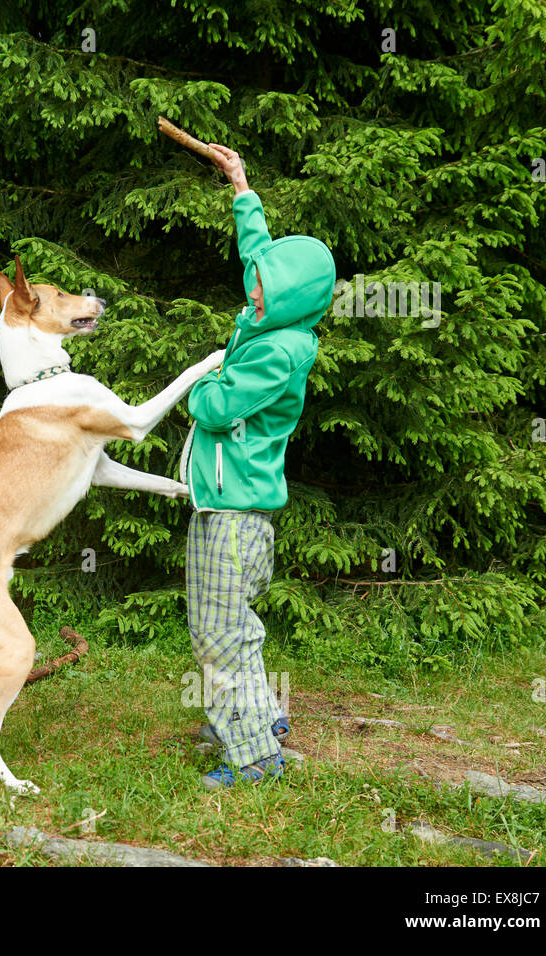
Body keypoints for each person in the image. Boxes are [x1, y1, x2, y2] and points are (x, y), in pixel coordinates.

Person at [178, 143, 336, 789]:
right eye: (254, 280)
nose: (252, 288)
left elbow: (217, 408)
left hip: (232, 517)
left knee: (217, 637)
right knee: (237, 629)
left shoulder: (280, 352)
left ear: (291, 299)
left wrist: (200, 382)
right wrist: (240, 183)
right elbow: (259, 252)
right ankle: (261, 718)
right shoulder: (278, 314)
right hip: (240, 511)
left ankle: (254, 758)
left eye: (264, 288)